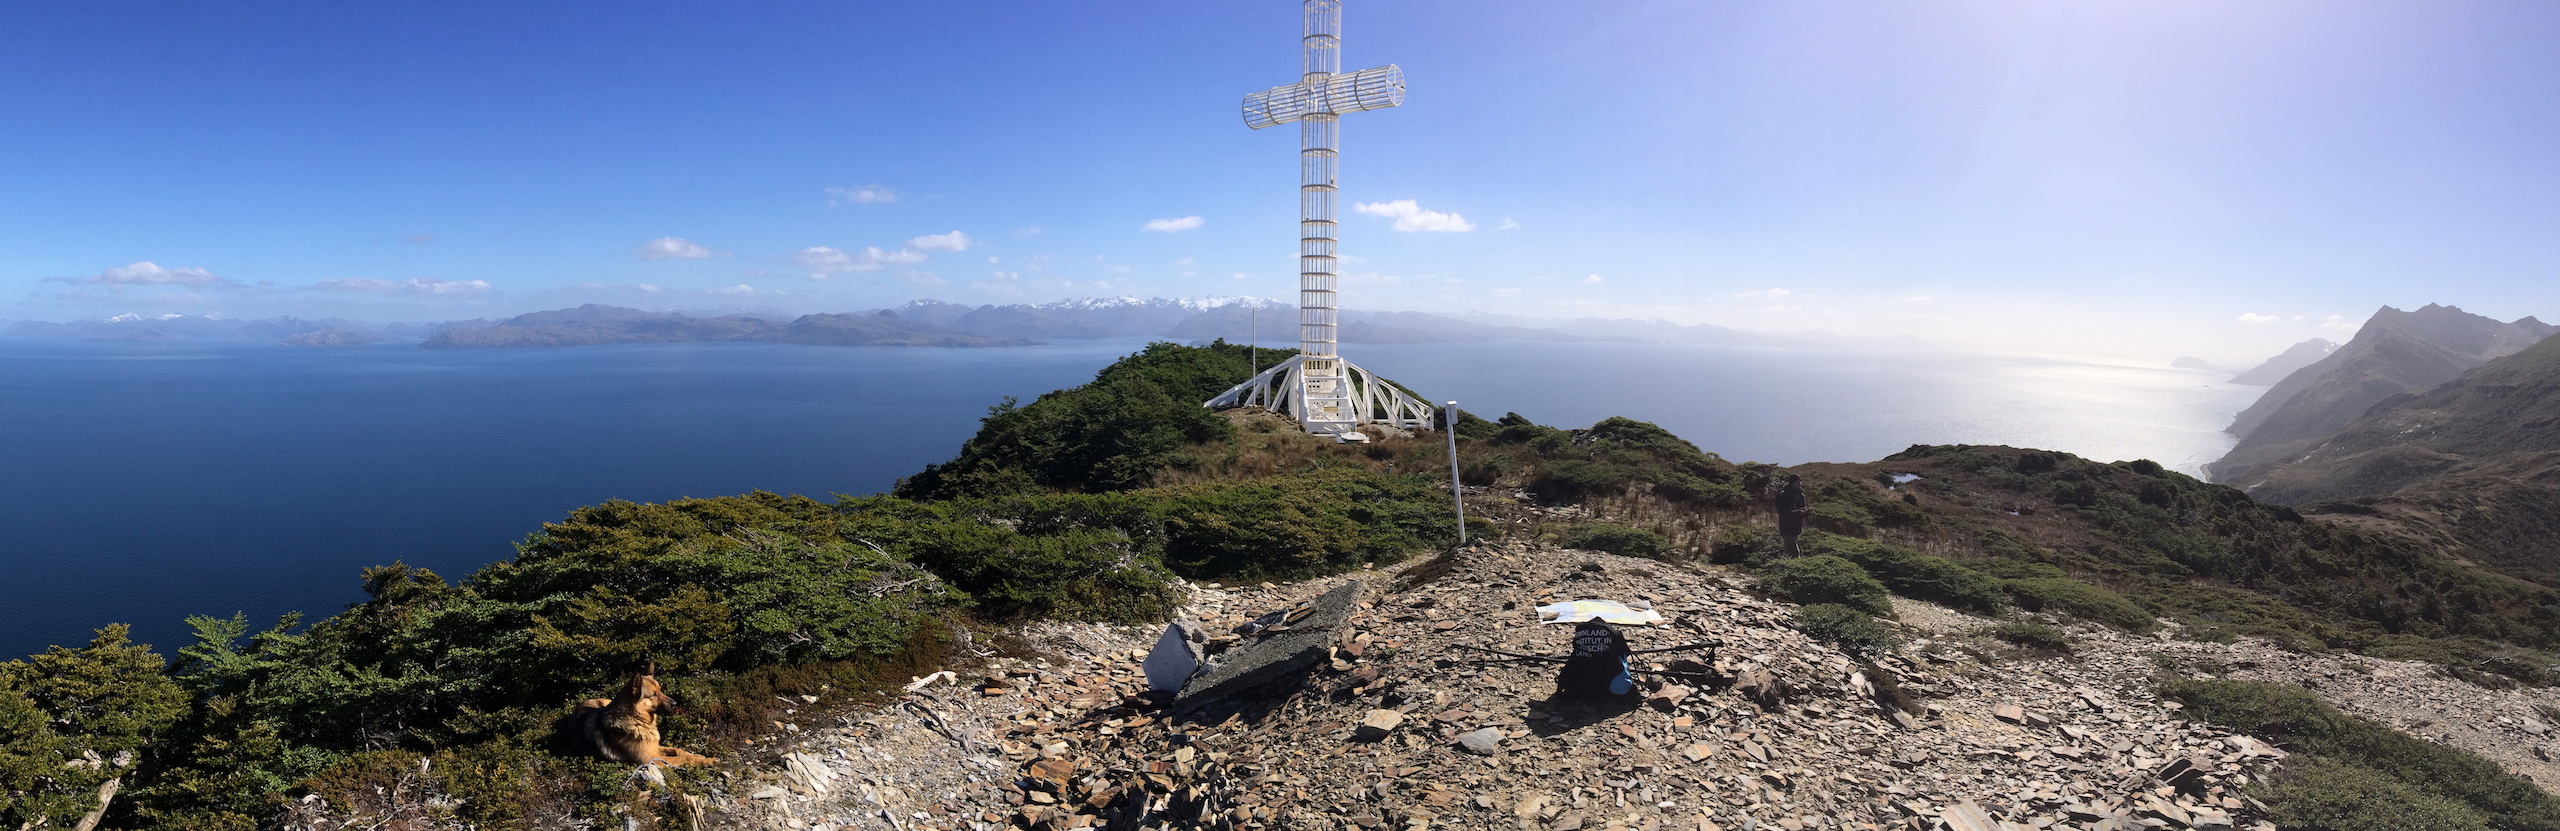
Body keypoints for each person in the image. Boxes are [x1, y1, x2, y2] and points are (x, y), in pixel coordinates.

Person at [1555, 619, 1634, 699]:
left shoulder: (1580, 631)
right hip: (1607, 686)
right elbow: (1626, 653)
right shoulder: (1614, 633)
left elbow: (1575, 647)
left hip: (1578, 687)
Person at [1775, 473, 1809, 557]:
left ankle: (1784, 566)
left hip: (1796, 526)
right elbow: (1782, 512)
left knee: (1788, 550)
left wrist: (1805, 512)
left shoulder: (1799, 494)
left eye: (1800, 481)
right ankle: (1796, 567)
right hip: (1786, 526)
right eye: (1797, 482)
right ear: (1792, 482)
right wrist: (1798, 512)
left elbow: (1802, 507)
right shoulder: (1783, 494)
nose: (1799, 484)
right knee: (1794, 552)